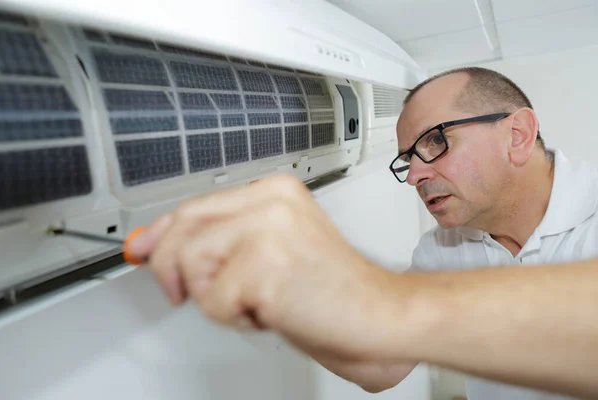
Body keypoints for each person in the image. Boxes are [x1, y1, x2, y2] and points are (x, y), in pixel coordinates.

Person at [127, 67, 598, 400]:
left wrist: (375, 297)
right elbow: (380, 368)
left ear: (517, 134)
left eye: (435, 142)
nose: (414, 176)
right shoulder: (444, 247)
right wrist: (282, 298)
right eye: (406, 159)